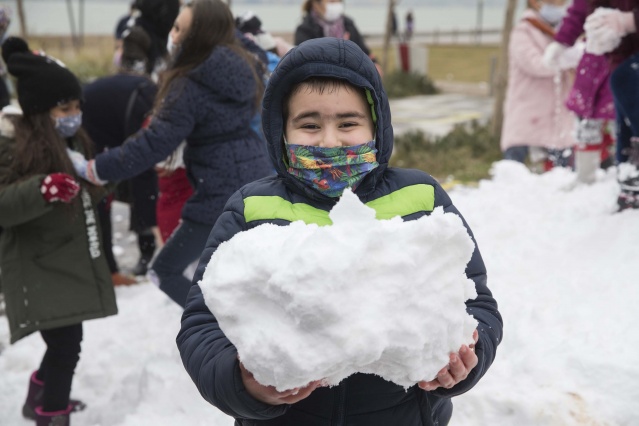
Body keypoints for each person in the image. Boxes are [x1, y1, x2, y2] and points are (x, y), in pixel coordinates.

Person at [176, 37, 503, 425]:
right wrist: (243, 382)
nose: (330, 141)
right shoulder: (251, 207)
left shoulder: (420, 197)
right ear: (281, 130)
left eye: (348, 123)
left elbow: (477, 303)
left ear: (376, 125)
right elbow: (201, 324)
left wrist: (467, 357)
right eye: (309, 124)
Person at [71, 0, 272, 308]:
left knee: (164, 271)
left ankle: (220, 330)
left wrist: (95, 168)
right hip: (258, 178)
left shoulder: (190, 83)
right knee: (245, 270)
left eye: (179, 28)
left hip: (219, 192)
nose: (172, 34)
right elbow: (241, 39)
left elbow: (152, 144)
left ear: (199, 35)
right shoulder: (247, 63)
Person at [0, 37, 118, 426]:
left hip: (66, 260)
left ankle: (41, 395)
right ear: (40, 111)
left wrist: (103, 179)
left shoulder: (69, 140)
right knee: (67, 346)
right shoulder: (13, 146)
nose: (75, 114)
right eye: (65, 107)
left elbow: (82, 186)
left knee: (66, 343)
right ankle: (52, 413)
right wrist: (42, 189)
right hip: (39, 264)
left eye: (77, 105)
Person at [83, 25, 159, 283]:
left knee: (100, 200)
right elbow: (145, 154)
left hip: (92, 149)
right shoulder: (145, 88)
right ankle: (140, 255)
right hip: (115, 147)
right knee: (141, 183)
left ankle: (108, 266)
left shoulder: (102, 84)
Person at [543, 0, 616, 185]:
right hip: (594, 58)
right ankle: (585, 178)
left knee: (624, 122)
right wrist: (560, 44)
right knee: (586, 121)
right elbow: (576, 15)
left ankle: (627, 176)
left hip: (626, 57)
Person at [500, 0, 576, 171]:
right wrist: (566, 58)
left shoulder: (565, 31)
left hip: (558, 120)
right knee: (513, 178)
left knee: (561, 180)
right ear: (534, 2)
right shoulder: (523, 31)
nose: (559, 5)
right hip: (527, 120)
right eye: (553, 1)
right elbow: (536, 64)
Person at [584, 2, 639, 209]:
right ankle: (629, 187)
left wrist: (631, 20)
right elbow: (588, 8)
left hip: (629, 64)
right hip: (620, 57)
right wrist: (597, 25)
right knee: (624, 125)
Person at [295, 0, 380, 72]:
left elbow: (364, 52)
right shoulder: (304, 30)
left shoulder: (348, 25)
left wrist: (374, 64)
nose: (336, 4)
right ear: (316, 4)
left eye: (338, 1)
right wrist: (341, 50)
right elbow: (305, 63)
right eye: (332, 1)